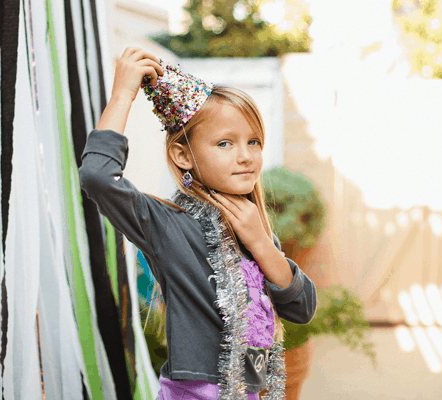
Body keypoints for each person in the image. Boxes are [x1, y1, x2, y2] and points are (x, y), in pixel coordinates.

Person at [79, 47, 317, 400]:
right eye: (225, 143)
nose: (246, 155)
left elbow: (302, 308)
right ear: (183, 155)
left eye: (254, 141)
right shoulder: (168, 224)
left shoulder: (252, 225)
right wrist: (122, 95)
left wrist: (262, 244)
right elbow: (98, 177)